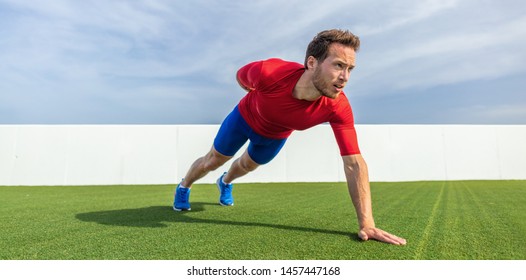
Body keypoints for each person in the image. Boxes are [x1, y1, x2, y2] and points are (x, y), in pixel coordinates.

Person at [173, 29, 406, 245]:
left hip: (274, 136)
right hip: (243, 119)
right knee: (212, 160)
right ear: (312, 63)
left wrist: (367, 223)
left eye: (350, 69)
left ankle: (225, 183)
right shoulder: (269, 72)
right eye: (338, 65)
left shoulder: (338, 107)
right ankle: (184, 186)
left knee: (245, 166)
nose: (345, 77)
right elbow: (242, 76)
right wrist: (254, 92)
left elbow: (354, 164)